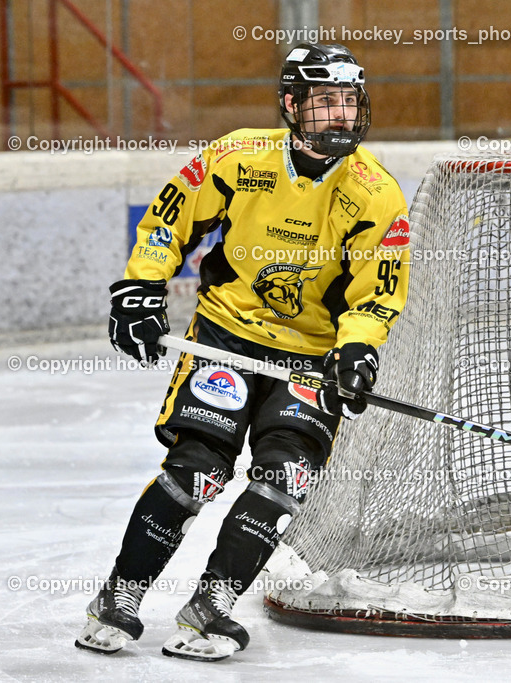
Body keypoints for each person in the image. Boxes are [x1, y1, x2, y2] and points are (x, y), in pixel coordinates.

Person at [76, 43, 410, 661]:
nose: (341, 115)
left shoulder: (375, 193)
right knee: (197, 471)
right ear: (290, 104)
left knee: (285, 477)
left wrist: (359, 350)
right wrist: (142, 286)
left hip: (309, 357)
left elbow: (376, 293)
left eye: (349, 102)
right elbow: (168, 221)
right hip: (226, 338)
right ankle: (119, 597)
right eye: (324, 102)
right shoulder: (237, 155)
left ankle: (213, 605)